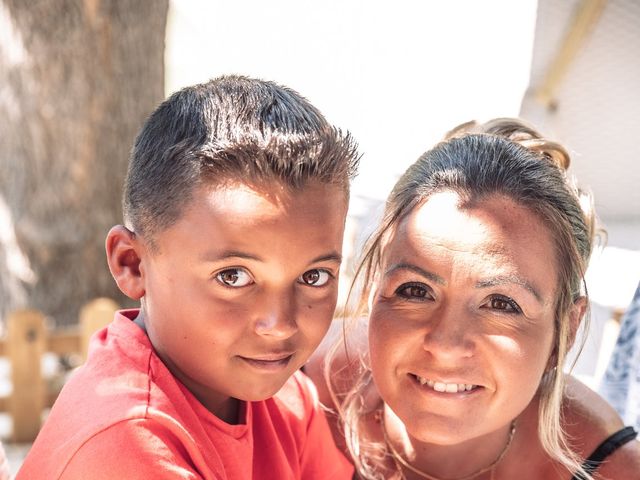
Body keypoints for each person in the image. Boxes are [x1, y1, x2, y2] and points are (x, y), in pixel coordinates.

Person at [17, 75, 359, 480]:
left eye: (314, 276)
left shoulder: (283, 397)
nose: (279, 325)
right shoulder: (125, 443)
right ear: (133, 264)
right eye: (233, 276)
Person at [319, 119, 640, 480]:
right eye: (416, 291)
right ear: (373, 292)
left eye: (502, 303)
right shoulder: (293, 384)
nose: (445, 344)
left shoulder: (608, 468)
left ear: (564, 331)